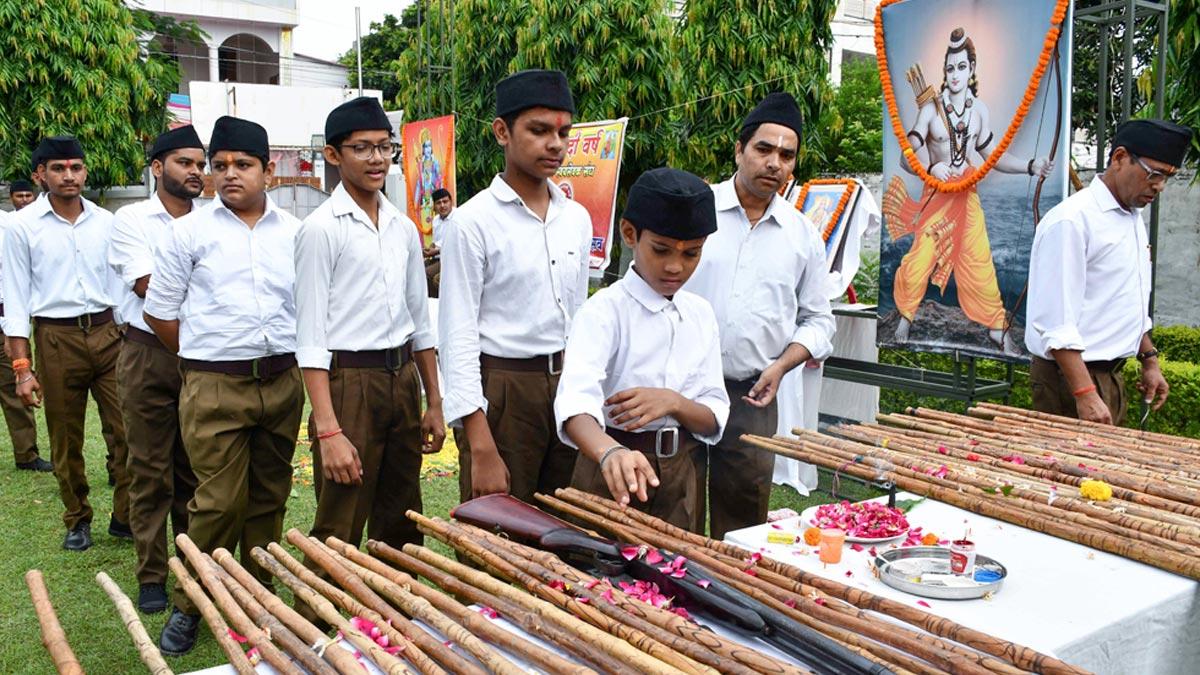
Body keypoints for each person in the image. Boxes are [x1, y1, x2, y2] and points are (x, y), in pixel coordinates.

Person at [144, 116, 304, 655]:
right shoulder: (188, 233)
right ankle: (192, 603)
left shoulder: (296, 233)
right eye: (220, 166)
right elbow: (161, 314)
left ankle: (257, 594)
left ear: (269, 170)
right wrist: (204, 362)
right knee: (216, 502)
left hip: (283, 380)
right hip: (214, 384)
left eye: (243, 165)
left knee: (268, 497)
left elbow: (305, 308)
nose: (229, 175)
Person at [295, 97, 444, 617]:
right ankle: (315, 626)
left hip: (401, 377)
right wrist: (329, 431)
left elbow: (420, 323)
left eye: (384, 148)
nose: (377, 159)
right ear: (335, 156)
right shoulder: (320, 229)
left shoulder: (403, 227)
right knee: (341, 513)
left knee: (402, 510)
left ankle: (401, 612)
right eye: (362, 149)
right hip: (347, 382)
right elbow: (310, 337)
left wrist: (434, 403)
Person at [686, 92, 836, 539]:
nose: (775, 163)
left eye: (787, 155)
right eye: (764, 149)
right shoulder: (695, 208)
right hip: (683, 389)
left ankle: (736, 603)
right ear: (739, 149)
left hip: (753, 395)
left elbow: (819, 319)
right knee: (677, 508)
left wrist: (782, 365)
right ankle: (674, 602)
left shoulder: (802, 235)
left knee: (744, 520)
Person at [439, 69, 592, 504]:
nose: (555, 144)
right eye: (539, 130)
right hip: (503, 390)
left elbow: (578, 317)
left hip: (565, 386)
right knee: (498, 528)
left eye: (563, 132)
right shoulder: (472, 222)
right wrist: (480, 441)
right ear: (502, 132)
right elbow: (458, 333)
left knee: (564, 520)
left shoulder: (576, 219)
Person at [557, 167, 729, 531]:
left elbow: (715, 413)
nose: (674, 266)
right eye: (662, 249)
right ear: (630, 234)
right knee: (601, 579)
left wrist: (674, 402)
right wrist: (610, 452)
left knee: (677, 580)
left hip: (681, 473)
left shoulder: (700, 314)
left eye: (691, 254)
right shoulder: (604, 311)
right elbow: (575, 406)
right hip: (611, 474)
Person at [883, 27, 1054, 354]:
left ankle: (995, 328)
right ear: (944, 72)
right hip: (937, 196)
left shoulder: (979, 111)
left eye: (962, 67)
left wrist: (1031, 166)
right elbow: (909, 149)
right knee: (921, 257)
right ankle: (904, 319)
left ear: (972, 69)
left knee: (979, 260)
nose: (955, 74)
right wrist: (930, 167)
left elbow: (993, 156)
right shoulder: (931, 109)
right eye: (950, 68)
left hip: (967, 195)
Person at [4, 136, 131, 552]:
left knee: (128, 431)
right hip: (55, 337)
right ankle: (77, 518)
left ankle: (124, 515)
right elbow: (16, 298)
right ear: (41, 174)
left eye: (76, 167)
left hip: (108, 333)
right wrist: (22, 369)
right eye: (59, 168)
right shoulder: (20, 227)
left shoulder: (105, 221)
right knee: (65, 438)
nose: (69, 175)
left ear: (85, 171)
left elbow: (120, 284)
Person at [1026, 119, 1192, 425]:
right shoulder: (1072, 221)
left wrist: (1149, 359)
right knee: (1074, 471)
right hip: (1070, 380)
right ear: (1119, 158)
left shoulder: (1131, 217)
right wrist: (1085, 392)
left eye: (1168, 177)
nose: (1159, 186)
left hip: (1108, 375)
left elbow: (1127, 297)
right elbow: (1055, 321)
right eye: (1154, 174)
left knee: (1103, 471)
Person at [108, 126, 205, 614]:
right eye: (184, 162)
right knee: (149, 469)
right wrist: (205, 290)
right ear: (157, 168)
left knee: (195, 468)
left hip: (201, 354)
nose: (196, 172)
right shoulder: (131, 219)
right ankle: (152, 574)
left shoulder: (213, 220)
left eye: (200, 164)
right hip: (148, 352)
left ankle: (192, 569)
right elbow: (148, 286)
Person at [1, 179, 46, 472]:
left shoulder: (6, 225)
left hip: (2, 321)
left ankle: (26, 455)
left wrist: (8, 328)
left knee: (12, 388)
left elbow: (10, 281)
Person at [423, 186, 453, 297]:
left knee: (426, 274)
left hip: (450, 258)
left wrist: (434, 252)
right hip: (437, 257)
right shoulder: (436, 220)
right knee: (416, 268)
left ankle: (436, 303)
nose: (442, 206)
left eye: (445, 201)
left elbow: (452, 246)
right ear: (434, 206)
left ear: (451, 202)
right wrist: (428, 249)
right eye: (438, 203)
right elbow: (435, 242)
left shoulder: (458, 218)